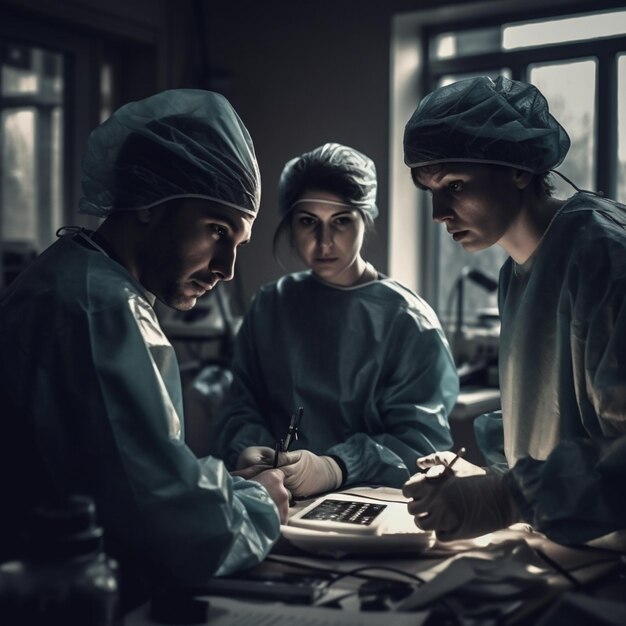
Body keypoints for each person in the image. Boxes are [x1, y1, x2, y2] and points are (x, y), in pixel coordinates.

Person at [0, 89, 290, 605]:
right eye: (216, 230)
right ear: (151, 205)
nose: (226, 268)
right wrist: (263, 501)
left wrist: (227, 486)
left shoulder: (73, 275)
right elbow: (177, 530)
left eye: (238, 244)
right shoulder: (100, 310)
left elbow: (135, 472)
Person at [401, 75, 626, 548]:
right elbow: (550, 415)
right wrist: (486, 479)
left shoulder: (603, 254)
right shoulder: (518, 273)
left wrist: (510, 496)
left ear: (520, 169)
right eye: (430, 191)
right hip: (572, 548)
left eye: (455, 185)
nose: (440, 211)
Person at [211, 142, 459, 499]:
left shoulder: (407, 321)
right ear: (290, 224)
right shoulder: (271, 306)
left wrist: (337, 467)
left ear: (366, 219)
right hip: (274, 497)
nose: (324, 241)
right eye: (308, 221)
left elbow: (420, 444)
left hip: (370, 504)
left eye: (341, 220)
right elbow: (242, 404)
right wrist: (248, 447)